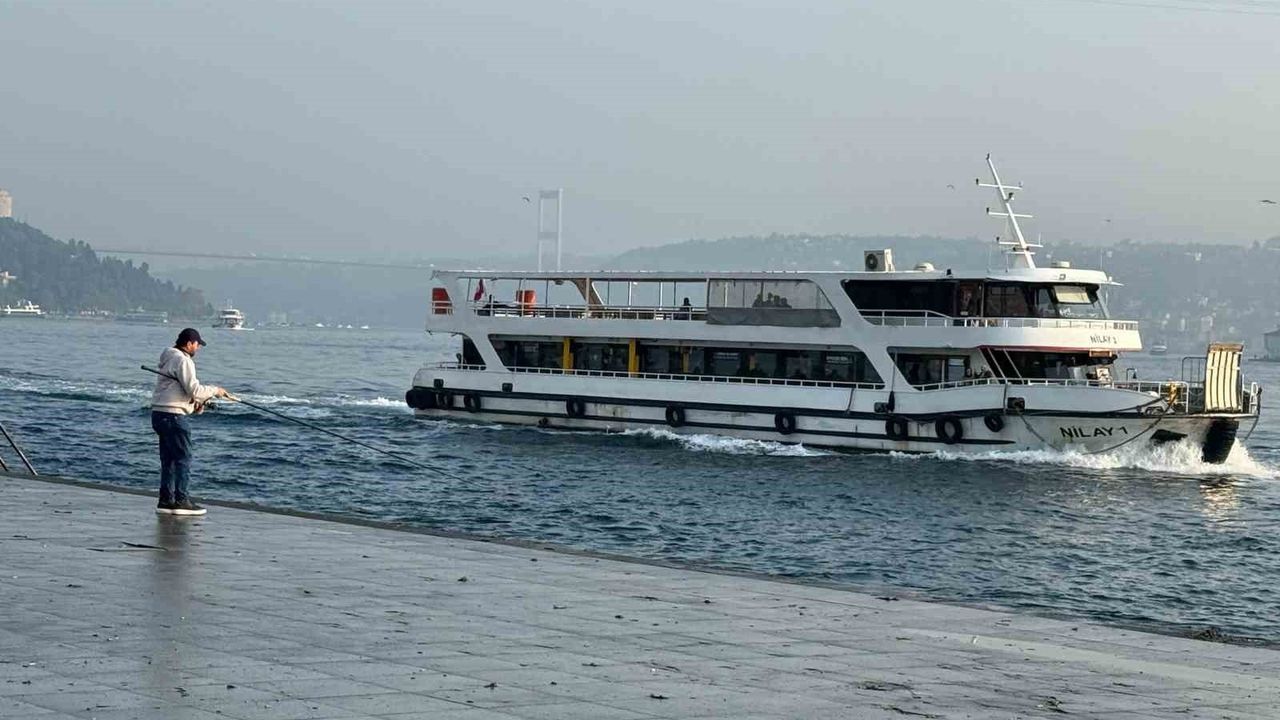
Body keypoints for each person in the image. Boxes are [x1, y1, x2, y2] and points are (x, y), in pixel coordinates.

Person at [150, 328, 233, 516]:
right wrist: (216, 390)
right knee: (183, 458)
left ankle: (166, 500)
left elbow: (177, 389)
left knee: (169, 459)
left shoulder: (168, 357)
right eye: (197, 344)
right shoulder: (183, 360)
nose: (198, 348)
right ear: (189, 344)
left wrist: (193, 404)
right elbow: (194, 389)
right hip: (174, 416)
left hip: (159, 414)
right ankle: (181, 501)